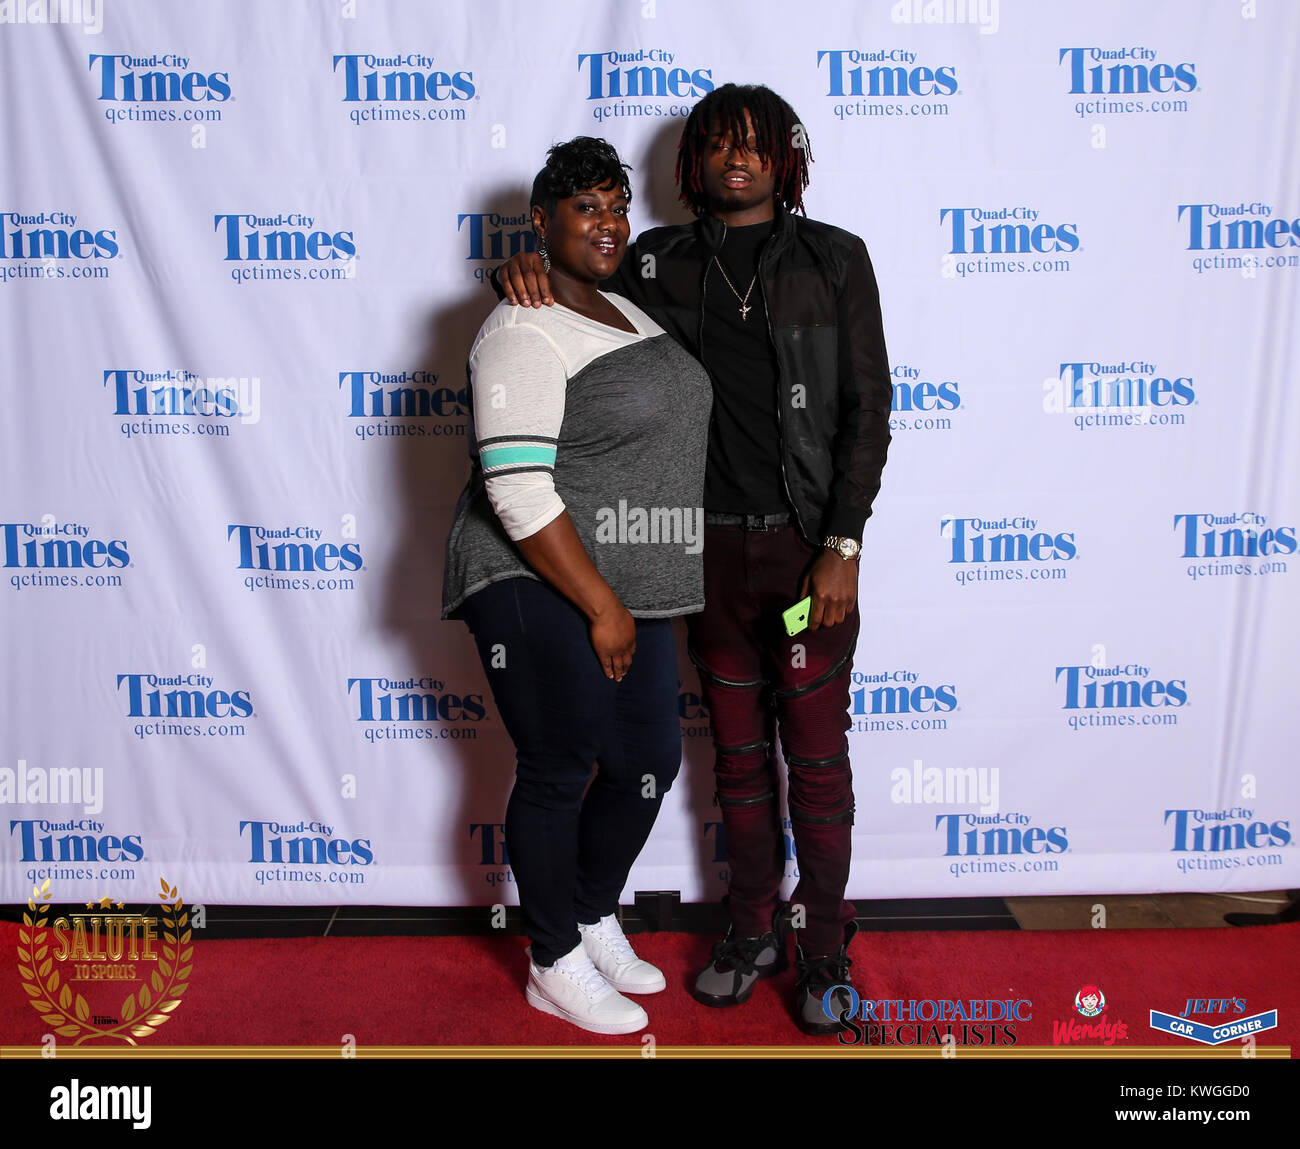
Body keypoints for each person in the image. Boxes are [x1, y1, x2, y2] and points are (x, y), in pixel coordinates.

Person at [495, 84, 891, 1035]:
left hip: (804, 554)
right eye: (719, 145)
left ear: (785, 155)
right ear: (695, 162)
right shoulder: (657, 261)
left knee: (820, 763)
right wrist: (515, 271)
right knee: (740, 764)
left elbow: (866, 412)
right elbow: (570, 292)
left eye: (755, 144)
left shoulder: (836, 260)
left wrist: (841, 543)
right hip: (700, 558)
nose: (737, 160)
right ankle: (751, 929)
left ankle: (825, 946)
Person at [443, 137, 712, 1035]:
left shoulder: (626, 308)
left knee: (647, 761)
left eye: (615, 205)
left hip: (630, 575)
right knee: (561, 761)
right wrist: (599, 604)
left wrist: (619, 596)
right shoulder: (523, 320)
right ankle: (551, 956)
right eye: (585, 208)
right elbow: (514, 484)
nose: (607, 223)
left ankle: (594, 910)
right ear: (542, 224)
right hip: (530, 571)